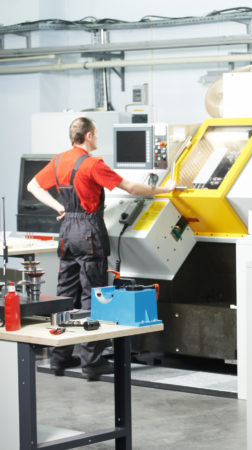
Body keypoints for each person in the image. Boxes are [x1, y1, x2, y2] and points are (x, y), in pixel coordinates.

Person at [27, 117, 176, 381]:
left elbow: (33, 186)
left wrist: (59, 207)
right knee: (92, 295)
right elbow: (131, 187)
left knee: (65, 294)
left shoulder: (60, 160)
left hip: (67, 233)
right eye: (96, 133)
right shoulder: (93, 165)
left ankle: (59, 359)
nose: (98, 137)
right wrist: (165, 189)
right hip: (88, 232)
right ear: (87, 136)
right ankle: (92, 362)